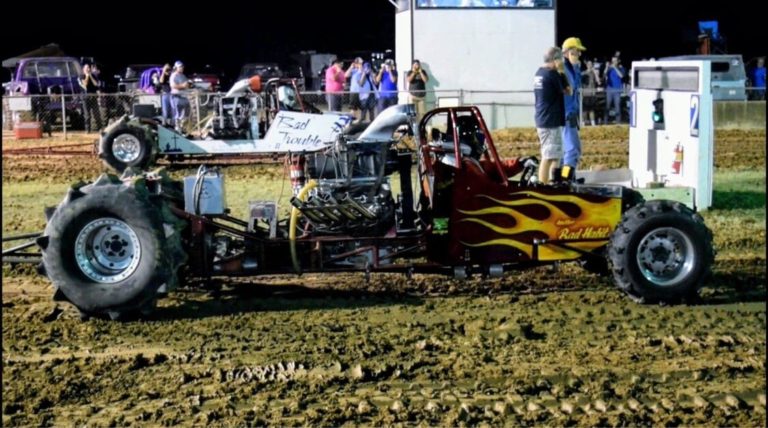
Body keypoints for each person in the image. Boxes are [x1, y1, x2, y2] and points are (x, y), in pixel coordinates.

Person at [533, 47, 569, 184]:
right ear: (555, 59)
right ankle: (544, 184)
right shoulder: (552, 74)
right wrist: (562, 72)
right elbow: (568, 90)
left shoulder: (539, 73)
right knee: (548, 156)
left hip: (543, 118)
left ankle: (555, 181)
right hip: (549, 120)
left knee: (555, 155)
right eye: (560, 59)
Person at [561, 37, 586, 176]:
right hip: (566, 114)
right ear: (568, 52)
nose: (579, 55)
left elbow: (577, 85)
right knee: (572, 150)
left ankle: (563, 177)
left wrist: (576, 67)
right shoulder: (564, 69)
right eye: (577, 52)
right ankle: (566, 179)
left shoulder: (570, 68)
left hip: (569, 114)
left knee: (568, 150)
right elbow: (572, 86)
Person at [78, 63, 103, 133]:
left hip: (93, 97)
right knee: (87, 115)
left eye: (88, 68)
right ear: (83, 70)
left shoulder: (94, 76)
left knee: (96, 114)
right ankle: (87, 130)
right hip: (85, 98)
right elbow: (85, 85)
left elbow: (96, 84)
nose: (88, 69)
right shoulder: (81, 76)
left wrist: (91, 77)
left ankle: (100, 129)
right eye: (86, 68)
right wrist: (87, 76)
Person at [170, 60, 191, 133]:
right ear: (176, 68)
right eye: (180, 67)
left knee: (185, 114)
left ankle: (183, 128)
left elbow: (186, 85)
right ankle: (177, 129)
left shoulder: (183, 76)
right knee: (177, 114)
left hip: (184, 97)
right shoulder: (174, 75)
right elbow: (173, 86)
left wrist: (188, 85)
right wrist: (183, 86)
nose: (182, 68)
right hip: (176, 97)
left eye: (182, 67)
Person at [604, 55, 625, 124]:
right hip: (609, 89)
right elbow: (604, 75)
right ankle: (605, 122)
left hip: (617, 89)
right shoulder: (609, 68)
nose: (613, 62)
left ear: (618, 61)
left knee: (617, 106)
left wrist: (615, 68)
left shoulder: (620, 68)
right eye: (612, 60)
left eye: (615, 61)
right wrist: (607, 67)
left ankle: (618, 122)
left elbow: (621, 76)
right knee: (607, 106)